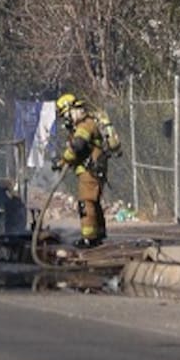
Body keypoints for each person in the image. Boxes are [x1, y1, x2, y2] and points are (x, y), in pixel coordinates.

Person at [53, 93, 119, 248]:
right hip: (95, 169)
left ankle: (88, 238)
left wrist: (63, 160)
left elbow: (78, 146)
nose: (66, 119)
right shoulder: (89, 122)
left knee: (86, 202)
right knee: (93, 202)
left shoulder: (85, 125)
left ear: (72, 110)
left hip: (89, 170)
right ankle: (99, 233)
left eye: (66, 115)